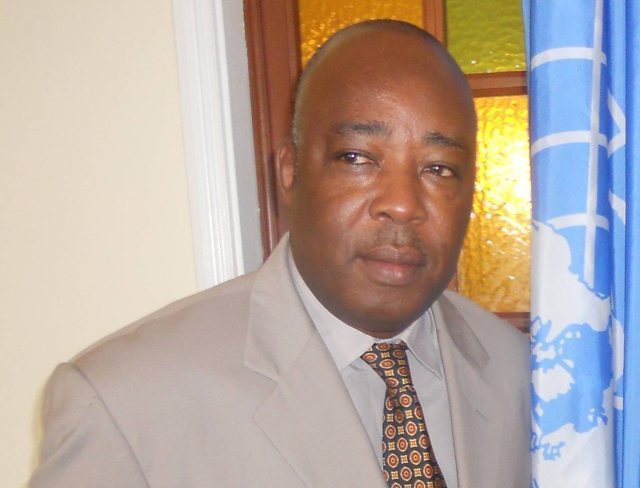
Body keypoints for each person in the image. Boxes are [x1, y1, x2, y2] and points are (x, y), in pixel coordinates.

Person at [30, 20, 530, 488]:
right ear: (290, 173)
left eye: (439, 169)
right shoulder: (124, 402)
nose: (402, 204)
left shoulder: (523, 373)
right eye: (357, 158)